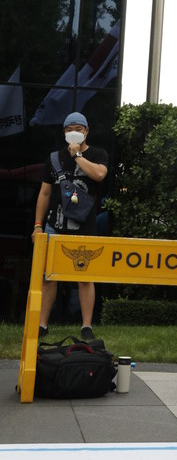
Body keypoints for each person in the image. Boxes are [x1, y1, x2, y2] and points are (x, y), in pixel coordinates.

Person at [32, 111, 108, 341]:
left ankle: (86, 326)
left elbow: (99, 175)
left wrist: (77, 157)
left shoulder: (98, 154)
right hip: (54, 225)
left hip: (83, 227)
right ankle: (43, 324)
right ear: (63, 131)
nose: (72, 132)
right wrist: (38, 225)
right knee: (48, 277)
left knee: (85, 277)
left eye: (77, 128)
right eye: (68, 129)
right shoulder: (54, 159)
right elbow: (44, 194)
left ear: (86, 131)